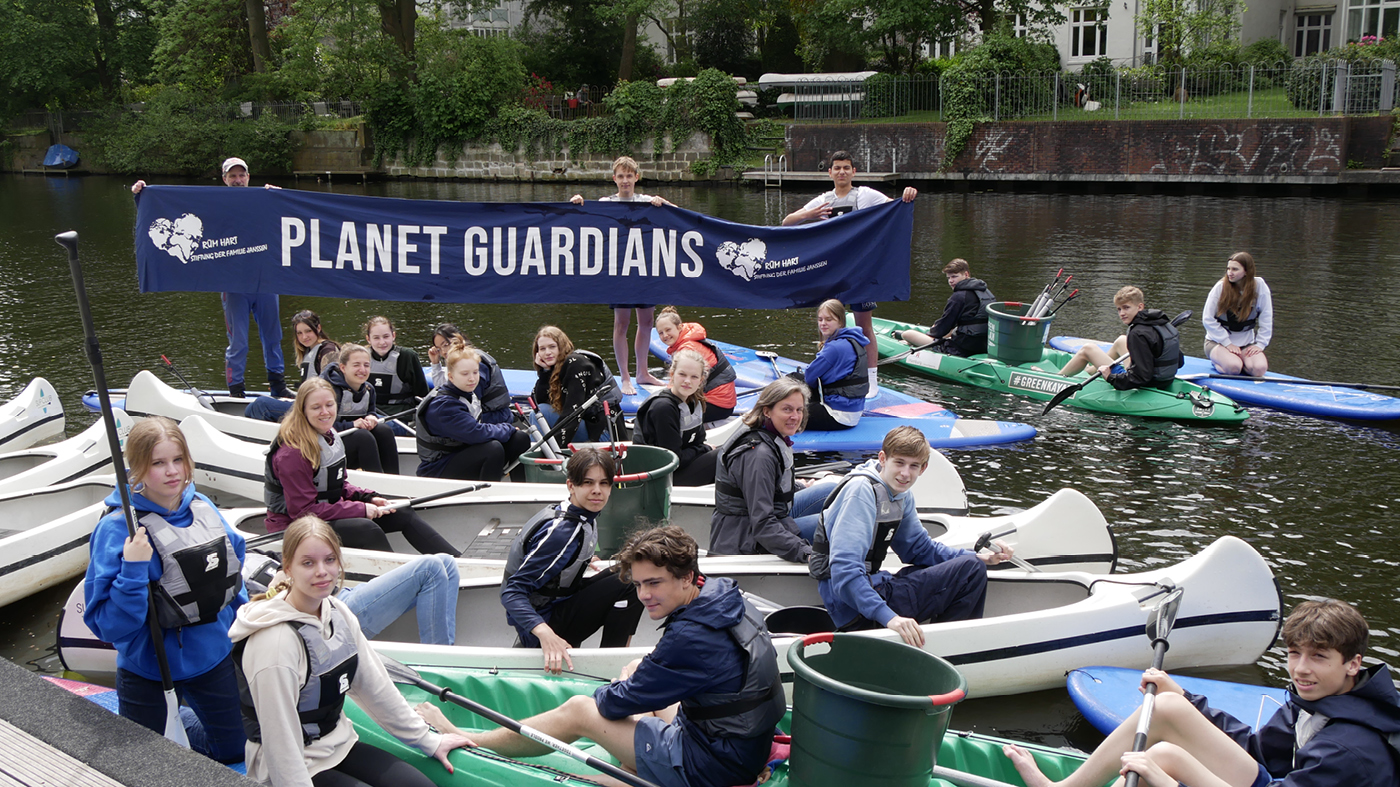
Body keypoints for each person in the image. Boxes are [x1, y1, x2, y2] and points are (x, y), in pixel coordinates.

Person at [423, 525, 785, 787]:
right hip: (742, 747)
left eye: (654, 583)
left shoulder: (692, 637)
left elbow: (613, 706)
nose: (644, 595)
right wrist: (631, 683)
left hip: (713, 765)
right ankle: (635, 766)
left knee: (583, 709)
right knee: (633, 667)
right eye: (639, 584)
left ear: (688, 577)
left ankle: (467, 738)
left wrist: (614, 693)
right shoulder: (725, 596)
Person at [1004, 598, 1400, 787]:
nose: (1300, 669)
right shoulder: (1318, 699)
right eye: (1295, 654)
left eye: (1319, 657)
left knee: (1160, 759)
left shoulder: (1351, 750)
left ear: (1352, 663)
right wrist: (1186, 698)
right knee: (1168, 706)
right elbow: (1258, 750)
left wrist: (1172, 781)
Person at [230, 516, 474, 787]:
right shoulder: (274, 644)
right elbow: (280, 741)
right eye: (308, 563)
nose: (322, 571)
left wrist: (428, 740)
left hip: (339, 745)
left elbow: (375, 687)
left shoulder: (337, 612)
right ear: (288, 567)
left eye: (330, 560)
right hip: (293, 766)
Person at [82, 416, 247, 763]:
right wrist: (133, 569)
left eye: (178, 460)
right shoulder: (116, 529)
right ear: (137, 468)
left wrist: (234, 628)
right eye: (158, 463)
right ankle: (160, 721)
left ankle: (183, 720)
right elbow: (109, 625)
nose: (172, 471)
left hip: (211, 657)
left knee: (233, 749)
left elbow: (234, 572)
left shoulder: (203, 506)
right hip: (149, 670)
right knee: (149, 763)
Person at [810, 426, 1012, 646]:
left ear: (923, 468)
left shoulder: (900, 494)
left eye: (913, 466)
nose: (905, 474)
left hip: (873, 589)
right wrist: (890, 618)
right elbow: (844, 573)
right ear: (883, 458)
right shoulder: (862, 492)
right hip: (854, 610)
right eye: (899, 463)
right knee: (970, 572)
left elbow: (920, 549)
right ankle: (951, 648)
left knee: (968, 563)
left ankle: (937, 640)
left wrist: (978, 556)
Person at [134, 157, 287, 400]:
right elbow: (169, 208)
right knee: (239, 342)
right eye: (232, 176)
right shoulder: (212, 203)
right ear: (224, 179)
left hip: (264, 281)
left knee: (273, 336)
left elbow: (290, 217)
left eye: (241, 176)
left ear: (248, 178)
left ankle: (277, 385)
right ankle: (236, 391)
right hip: (233, 285)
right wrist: (144, 194)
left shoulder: (264, 199)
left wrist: (280, 197)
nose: (237, 180)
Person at [264, 377, 459, 556]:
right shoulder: (293, 453)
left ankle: (456, 561)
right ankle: (400, 579)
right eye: (316, 407)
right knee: (367, 529)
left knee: (402, 513)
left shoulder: (327, 434)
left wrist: (368, 497)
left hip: (323, 514)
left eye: (329, 405)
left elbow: (339, 485)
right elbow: (303, 512)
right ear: (303, 410)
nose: (325, 412)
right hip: (294, 528)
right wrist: (360, 509)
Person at [782, 150, 918, 397]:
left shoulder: (865, 195)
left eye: (846, 167)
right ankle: (827, 372)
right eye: (837, 168)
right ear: (830, 172)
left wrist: (908, 195)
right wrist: (809, 215)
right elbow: (787, 223)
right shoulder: (823, 200)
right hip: (832, 273)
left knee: (865, 326)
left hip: (860, 273)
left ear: (853, 172)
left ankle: (872, 379)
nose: (842, 172)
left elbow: (896, 207)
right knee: (827, 325)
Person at [500, 449, 644, 672]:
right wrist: (545, 634)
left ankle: (613, 659)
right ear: (571, 485)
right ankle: (611, 668)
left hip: (555, 607)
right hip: (543, 627)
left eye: (604, 483)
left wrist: (579, 560)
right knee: (630, 581)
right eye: (588, 483)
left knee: (629, 569)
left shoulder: (579, 514)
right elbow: (512, 592)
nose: (597, 491)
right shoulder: (563, 532)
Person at [569, 156, 677, 396]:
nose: (625, 180)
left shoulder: (648, 201)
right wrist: (577, 203)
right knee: (622, 322)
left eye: (630, 176)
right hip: (620, 270)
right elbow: (584, 220)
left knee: (647, 322)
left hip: (645, 269)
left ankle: (643, 372)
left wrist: (665, 203)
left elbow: (680, 217)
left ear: (637, 178)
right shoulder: (606, 202)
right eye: (621, 176)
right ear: (614, 179)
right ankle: (625, 377)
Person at [708, 377, 838, 563]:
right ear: (767, 410)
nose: (795, 416)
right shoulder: (758, 455)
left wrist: (799, 486)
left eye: (799, 410)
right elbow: (762, 524)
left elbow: (773, 485)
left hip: (773, 518)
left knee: (829, 490)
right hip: (746, 537)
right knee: (837, 523)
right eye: (787, 409)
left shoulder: (772, 436)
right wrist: (806, 552)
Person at [242, 550, 460, 646]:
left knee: (446, 562)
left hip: (342, 592)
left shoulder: (246, 551)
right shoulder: (234, 584)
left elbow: (277, 555)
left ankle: (441, 651)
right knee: (430, 568)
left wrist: (283, 569)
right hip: (332, 612)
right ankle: (441, 659)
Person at [415, 338, 531, 481]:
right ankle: (487, 495)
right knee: (492, 449)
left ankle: (519, 488)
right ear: (451, 377)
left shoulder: (469, 395)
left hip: (462, 453)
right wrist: (508, 428)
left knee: (520, 439)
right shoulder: (443, 406)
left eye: (475, 372)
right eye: (465, 374)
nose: (472, 379)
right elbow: (476, 433)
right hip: (437, 468)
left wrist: (509, 431)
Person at [1058, 286, 1183, 391]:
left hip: (1146, 384)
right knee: (1122, 340)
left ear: (1140, 307)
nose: (1122, 313)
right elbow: (1179, 362)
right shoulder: (1162, 325)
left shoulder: (1138, 333)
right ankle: (1091, 370)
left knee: (1087, 349)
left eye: (1126, 307)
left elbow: (1141, 377)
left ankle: (1055, 377)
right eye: (1119, 309)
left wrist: (1111, 377)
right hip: (1164, 379)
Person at [633, 349, 718, 486]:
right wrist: (705, 449)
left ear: (701, 380)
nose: (687, 381)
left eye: (694, 377)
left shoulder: (694, 401)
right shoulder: (663, 408)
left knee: (733, 451)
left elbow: (699, 440)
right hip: (660, 477)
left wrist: (702, 448)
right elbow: (673, 459)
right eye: (682, 374)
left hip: (681, 467)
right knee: (724, 455)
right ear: (672, 374)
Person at [532, 325, 622, 443]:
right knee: (539, 411)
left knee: (540, 413)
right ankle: (541, 455)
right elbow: (537, 401)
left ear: (562, 346)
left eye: (552, 347)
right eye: (542, 349)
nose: (547, 352)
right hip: (584, 426)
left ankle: (540, 458)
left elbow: (573, 412)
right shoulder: (556, 368)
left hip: (602, 433)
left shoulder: (576, 365)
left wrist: (555, 448)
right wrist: (545, 372)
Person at [246, 309, 340, 423]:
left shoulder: (328, 351)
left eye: (308, 331)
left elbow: (331, 386)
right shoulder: (309, 350)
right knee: (253, 407)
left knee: (260, 405)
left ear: (318, 328)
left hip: (317, 409)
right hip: (308, 403)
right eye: (299, 333)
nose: (304, 337)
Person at [321, 344, 400, 474]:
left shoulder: (369, 389)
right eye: (356, 365)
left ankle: (394, 479)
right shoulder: (331, 392)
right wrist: (352, 424)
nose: (362, 370)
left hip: (352, 436)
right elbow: (324, 426)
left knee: (384, 430)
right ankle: (376, 483)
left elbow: (370, 411)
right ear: (343, 368)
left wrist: (371, 417)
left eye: (366, 365)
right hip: (329, 442)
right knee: (363, 437)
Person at [895, 259, 996, 358]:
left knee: (907, 334)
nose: (951, 281)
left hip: (963, 348)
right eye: (948, 278)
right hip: (984, 345)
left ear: (966, 274)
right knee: (953, 329)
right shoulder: (986, 292)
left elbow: (943, 326)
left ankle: (909, 341)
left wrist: (931, 333)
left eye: (954, 277)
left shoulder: (959, 296)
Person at [653, 306, 738, 422]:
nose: (665, 335)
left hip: (717, 405)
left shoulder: (687, 350)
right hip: (726, 403)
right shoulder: (689, 338)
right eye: (661, 333)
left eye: (668, 330)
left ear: (679, 327)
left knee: (665, 414)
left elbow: (680, 384)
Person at [802, 299, 869, 431]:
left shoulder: (834, 348)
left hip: (838, 415)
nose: (823, 324)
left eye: (828, 319)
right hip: (853, 410)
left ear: (840, 321)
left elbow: (809, 377)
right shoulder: (853, 340)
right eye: (820, 319)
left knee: (782, 412)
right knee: (797, 379)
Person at [426, 324, 513, 425]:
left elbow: (473, 402)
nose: (444, 351)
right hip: (478, 413)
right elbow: (443, 389)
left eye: (445, 345)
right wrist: (435, 364)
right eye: (439, 349)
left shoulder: (473, 362)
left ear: (457, 339)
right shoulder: (457, 362)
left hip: (494, 416)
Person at [1204, 251, 1273, 378]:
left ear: (1247, 271)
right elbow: (1207, 319)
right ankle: (1219, 363)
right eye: (1228, 268)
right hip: (1218, 343)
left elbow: (1266, 318)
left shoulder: (1260, 287)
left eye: (1235, 269)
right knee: (1234, 368)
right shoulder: (1220, 287)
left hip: (1246, 344)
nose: (1230, 272)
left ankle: (1243, 362)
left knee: (1259, 370)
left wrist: (1260, 344)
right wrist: (1227, 343)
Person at [363, 316, 429, 433]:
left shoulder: (407, 357)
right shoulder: (361, 356)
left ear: (393, 336)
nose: (382, 342)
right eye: (376, 338)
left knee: (376, 429)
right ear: (368, 339)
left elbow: (422, 392)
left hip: (399, 415)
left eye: (386, 336)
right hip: (368, 413)